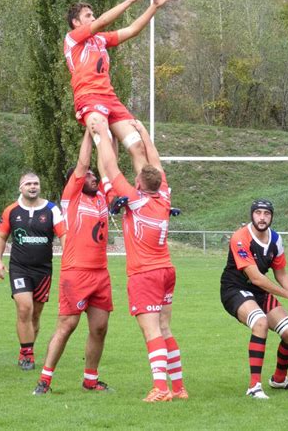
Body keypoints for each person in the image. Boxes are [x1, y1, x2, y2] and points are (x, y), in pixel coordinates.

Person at [92, 119, 188, 402]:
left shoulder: (135, 199)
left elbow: (109, 167)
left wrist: (103, 137)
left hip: (145, 274)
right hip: (166, 270)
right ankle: (179, 387)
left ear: (138, 183)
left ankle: (161, 388)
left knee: (151, 330)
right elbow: (153, 160)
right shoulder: (165, 196)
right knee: (165, 326)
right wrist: (143, 132)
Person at [64, 0, 175, 175]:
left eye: (93, 14)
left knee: (138, 145)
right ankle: (110, 196)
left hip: (110, 99)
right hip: (89, 97)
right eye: (88, 15)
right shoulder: (72, 39)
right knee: (106, 144)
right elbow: (102, 23)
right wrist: (131, 0)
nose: (94, 18)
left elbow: (132, 30)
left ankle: (144, 197)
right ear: (76, 22)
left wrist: (154, 6)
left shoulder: (101, 40)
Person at [33, 130, 112, 395]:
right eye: (87, 176)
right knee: (67, 326)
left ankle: (90, 379)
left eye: (92, 176)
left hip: (100, 273)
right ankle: (45, 379)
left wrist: (105, 137)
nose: (92, 177)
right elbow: (83, 163)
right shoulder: (72, 197)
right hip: (76, 273)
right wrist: (90, 134)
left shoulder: (101, 197)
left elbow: (106, 165)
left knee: (100, 328)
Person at [220, 199, 288, 399]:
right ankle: (254, 387)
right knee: (260, 322)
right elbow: (255, 277)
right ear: (252, 215)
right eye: (258, 213)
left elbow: (281, 273)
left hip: (259, 292)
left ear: (272, 216)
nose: (262, 217)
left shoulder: (276, 239)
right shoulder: (240, 237)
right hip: (235, 289)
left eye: (266, 213)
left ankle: (279, 380)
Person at [0, 172, 66, 370]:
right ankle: (27, 355)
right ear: (21, 188)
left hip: (43, 270)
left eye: (36, 183)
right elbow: (1, 237)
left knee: (35, 315)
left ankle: (28, 348)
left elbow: (64, 235)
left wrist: (69, 260)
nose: (32, 187)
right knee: (25, 308)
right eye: (28, 184)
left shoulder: (52, 209)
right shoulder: (11, 210)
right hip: (19, 268)